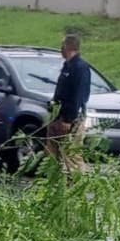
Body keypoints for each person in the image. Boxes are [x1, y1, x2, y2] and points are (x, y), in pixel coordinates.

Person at [46, 34, 92, 172]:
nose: (60, 48)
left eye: (63, 45)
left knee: (71, 153)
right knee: (51, 152)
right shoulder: (67, 66)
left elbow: (77, 96)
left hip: (71, 119)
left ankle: (77, 185)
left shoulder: (80, 68)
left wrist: (68, 120)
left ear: (70, 47)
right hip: (57, 116)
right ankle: (53, 181)